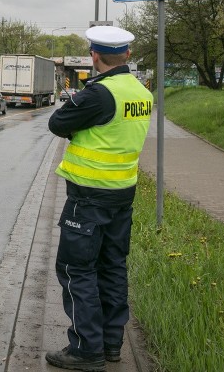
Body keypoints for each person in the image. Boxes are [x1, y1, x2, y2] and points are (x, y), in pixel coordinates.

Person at [45, 26, 153, 372]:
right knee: (112, 267)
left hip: (88, 198)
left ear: (94, 57)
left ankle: (85, 349)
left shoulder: (97, 95)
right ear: (128, 56)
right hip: (123, 195)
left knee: (77, 270)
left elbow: (57, 123)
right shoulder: (140, 92)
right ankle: (110, 345)